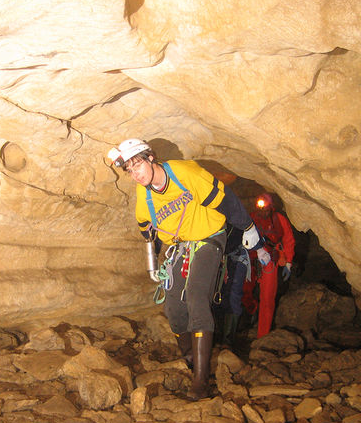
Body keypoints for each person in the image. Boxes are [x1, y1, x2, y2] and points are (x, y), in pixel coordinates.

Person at [107, 139, 269, 400]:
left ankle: (201, 382)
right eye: (129, 170)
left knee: (196, 296)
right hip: (179, 246)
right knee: (173, 308)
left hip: (209, 237)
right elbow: (146, 228)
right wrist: (154, 249)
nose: (135, 173)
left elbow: (227, 200)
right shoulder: (144, 194)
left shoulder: (187, 174)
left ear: (150, 158)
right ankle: (192, 358)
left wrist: (249, 228)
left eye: (137, 165)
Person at [242, 193, 295, 339]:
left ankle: (262, 335)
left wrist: (288, 262)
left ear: (271, 207)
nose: (262, 211)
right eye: (260, 207)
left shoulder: (278, 219)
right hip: (251, 261)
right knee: (244, 293)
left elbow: (288, 239)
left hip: (269, 261)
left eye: (265, 208)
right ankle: (251, 314)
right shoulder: (250, 218)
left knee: (267, 298)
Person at [217, 225, 251, 348]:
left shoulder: (237, 221)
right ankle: (220, 336)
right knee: (221, 296)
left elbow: (234, 240)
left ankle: (228, 339)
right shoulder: (222, 221)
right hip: (224, 259)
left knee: (233, 296)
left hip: (237, 259)